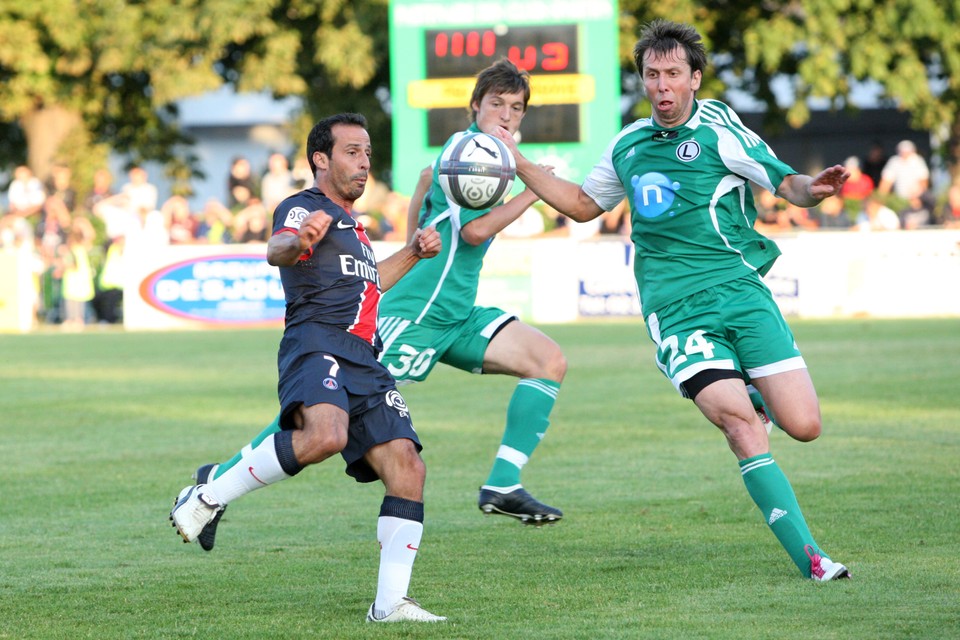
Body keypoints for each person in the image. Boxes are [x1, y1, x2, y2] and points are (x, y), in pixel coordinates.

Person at [493, 19, 849, 581]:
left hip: (741, 292)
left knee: (804, 425)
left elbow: (786, 184)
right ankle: (813, 558)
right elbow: (584, 205)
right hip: (677, 309)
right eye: (651, 74)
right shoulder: (627, 144)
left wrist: (815, 189)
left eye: (673, 74)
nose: (661, 85)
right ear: (642, 80)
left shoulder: (720, 129)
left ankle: (751, 389)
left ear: (694, 79)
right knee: (741, 429)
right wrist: (518, 162)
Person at [169, 113, 446, 623]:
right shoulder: (302, 207)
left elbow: (372, 282)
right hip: (316, 339)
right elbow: (277, 249)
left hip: (365, 356)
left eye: (367, 154)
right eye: (352, 152)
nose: (364, 163)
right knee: (325, 434)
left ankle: (390, 605)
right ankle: (208, 494)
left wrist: (413, 252)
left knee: (408, 465)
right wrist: (299, 241)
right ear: (321, 159)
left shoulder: (357, 231)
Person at [380, 58, 567, 524]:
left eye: (517, 107)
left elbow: (425, 178)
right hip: (418, 312)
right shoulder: (472, 148)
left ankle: (503, 484)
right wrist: (535, 189)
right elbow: (474, 233)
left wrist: (412, 242)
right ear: (476, 106)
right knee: (337, 410)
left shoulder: (483, 152)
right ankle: (223, 477)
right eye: (497, 104)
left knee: (548, 361)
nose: (506, 115)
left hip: (456, 312)